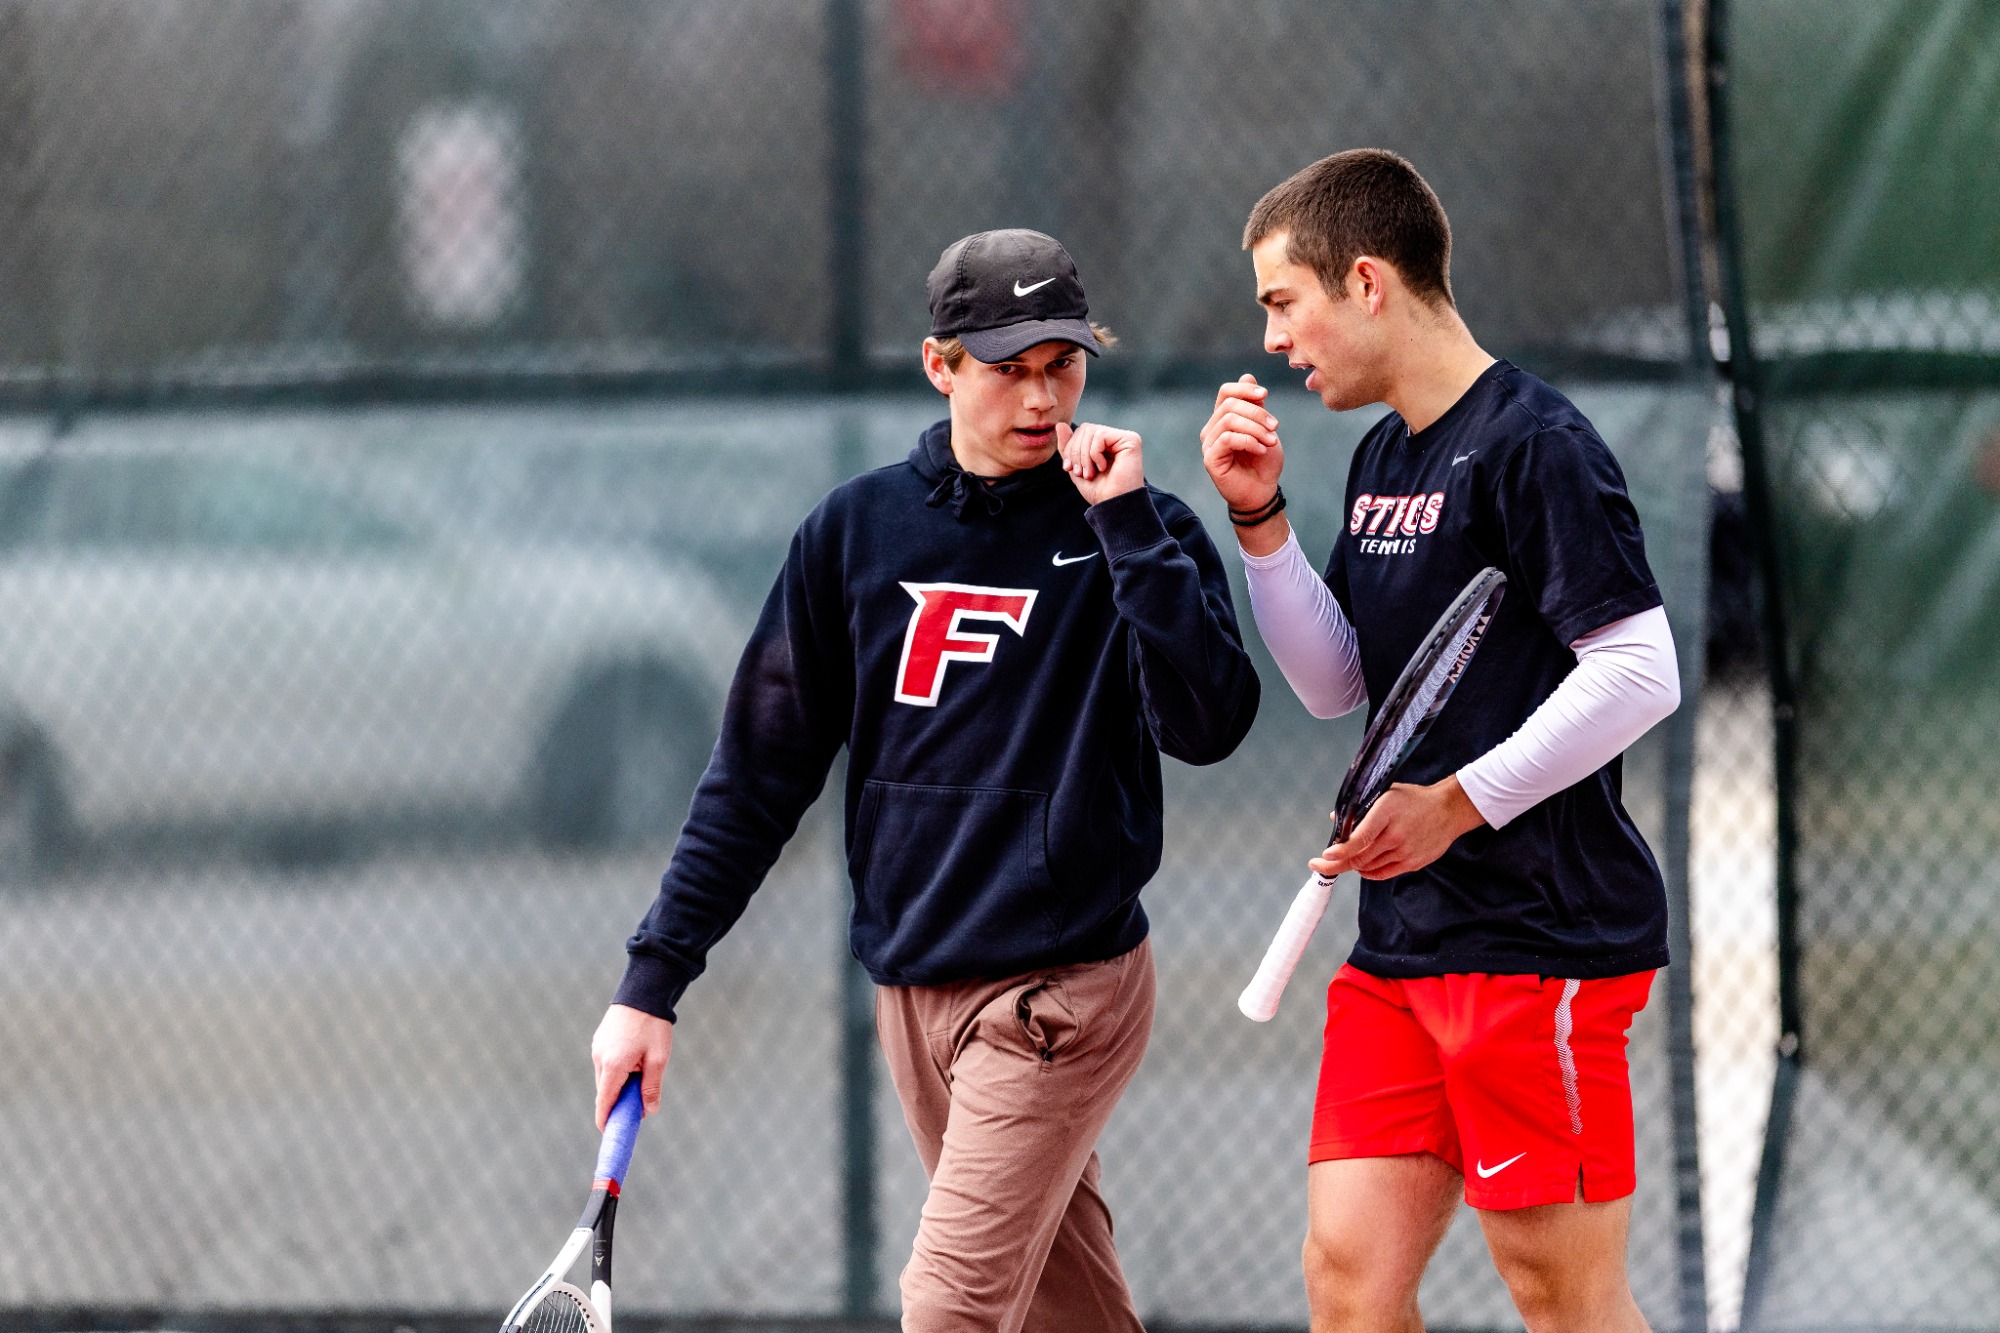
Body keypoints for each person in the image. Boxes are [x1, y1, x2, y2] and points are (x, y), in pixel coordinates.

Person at [590, 228, 1260, 1333]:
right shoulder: (853, 534)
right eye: (1009, 369)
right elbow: (756, 774)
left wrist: (1128, 528)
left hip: (1062, 992)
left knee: (946, 1305)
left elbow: (1209, 724)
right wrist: (648, 985)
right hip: (913, 985)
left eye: (1063, 364)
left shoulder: (1140, 523)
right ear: (940, 365)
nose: (1042, 398)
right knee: (1060, 1310)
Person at [1185, 149, 1678, 1331]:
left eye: (1280, 301)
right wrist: (1258, 521)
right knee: (1348, 1285)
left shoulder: (1533, 443)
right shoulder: (1383, 454)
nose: (1271, 342)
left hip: (1536, 942)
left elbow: (1637, 669)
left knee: (1556, 1292)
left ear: (1364, 282)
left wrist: (1457, 799)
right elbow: (1339, 683)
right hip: (1398, 952)